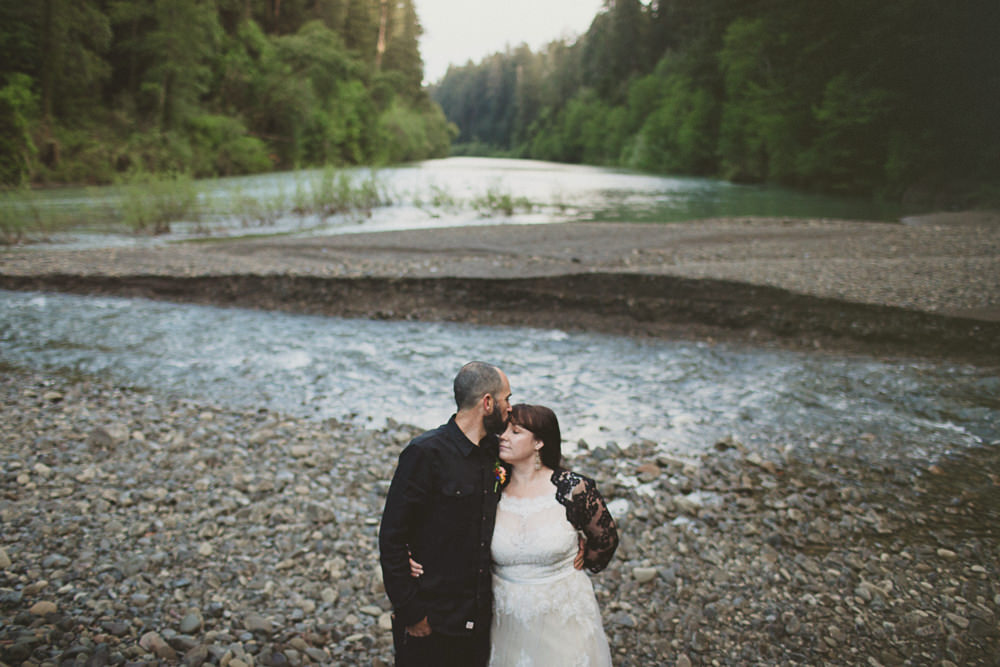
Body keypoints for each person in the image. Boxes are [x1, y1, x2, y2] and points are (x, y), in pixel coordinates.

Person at [411, 403, 619, 666]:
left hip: (563, 612)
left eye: (516, 432)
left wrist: (582, 558)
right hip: (506, 616)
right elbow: (448, 525)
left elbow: (606, 539)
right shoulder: (492, 488)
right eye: (504, 430)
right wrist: (410, 550)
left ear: (539, 442)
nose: (504, 437)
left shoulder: (572, 489)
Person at [378, 361, 513, 667]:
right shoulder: (425, 453)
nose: (510, 409)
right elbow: (392, 537)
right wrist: (412, 612)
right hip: (432, 617)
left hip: (479, 618)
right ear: (488, 403)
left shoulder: (497, 453)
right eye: (507, 399)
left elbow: (539, 478)